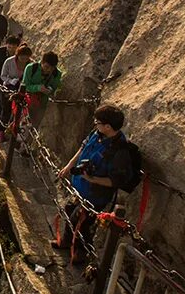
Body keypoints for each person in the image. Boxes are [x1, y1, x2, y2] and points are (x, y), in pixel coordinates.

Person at [52, 106, 133, 265]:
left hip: (95, 194)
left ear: (108, 126)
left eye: (98, 122)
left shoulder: (119, 151)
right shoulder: (97, 134)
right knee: (69, 212)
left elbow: (116, 181)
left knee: (83, 223)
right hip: (80, 188)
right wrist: (69, 167)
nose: (95, 124)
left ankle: (82, 253)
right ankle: (67, 242)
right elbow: (82, 148)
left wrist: (92, 180)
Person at [0, 43, 33, 132]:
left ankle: (12, 130)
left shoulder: (30, 65)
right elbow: (2, 76)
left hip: (22, 88)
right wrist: (11, 81)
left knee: (19, 112)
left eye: (26, 59)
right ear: (18, 55)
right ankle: (0, 130)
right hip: (8, 87)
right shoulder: (9, 61)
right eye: (22, 58)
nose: (24, 60)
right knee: (6, 109)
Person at [20, 50, 62, 126]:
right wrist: (38, 88)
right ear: (42, 62)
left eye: (51, 68)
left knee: (35, 124)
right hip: (26, 100)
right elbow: (25, 86)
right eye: (46, 67)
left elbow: (54, 87)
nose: (48, 70)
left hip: (41, 103)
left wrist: (50, 90)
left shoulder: (56, 74)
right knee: (22, 123)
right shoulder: (31, 68)